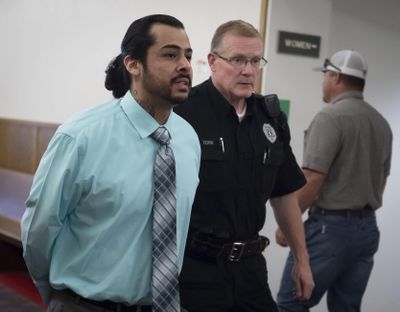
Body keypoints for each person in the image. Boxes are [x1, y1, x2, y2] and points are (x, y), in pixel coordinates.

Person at [21, 14, 201, 312]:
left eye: (188, 55)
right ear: (133, 64)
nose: (184, 65)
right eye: (170, 54)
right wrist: (55, 295)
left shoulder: (187, 139)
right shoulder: (81, 136)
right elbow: (39, 229)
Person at [174, 20, 314, 312]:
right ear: (212, 61)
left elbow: (284, 194)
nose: (248, 70)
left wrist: (302, 259)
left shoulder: (270, 118)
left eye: (255, 61)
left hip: (250, 268)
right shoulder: (184, 113)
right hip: (197, 270)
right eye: (237, 60)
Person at [276, 50, 393, 312]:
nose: (323, 82)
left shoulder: (330, 117)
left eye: (325, 76)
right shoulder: (381, 123)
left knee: (290, 304)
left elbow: (313, 178)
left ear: (336, 77)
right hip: (367, 230)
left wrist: (288, 225)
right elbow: (382, 181)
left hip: (329, 229)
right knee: (346, 307)